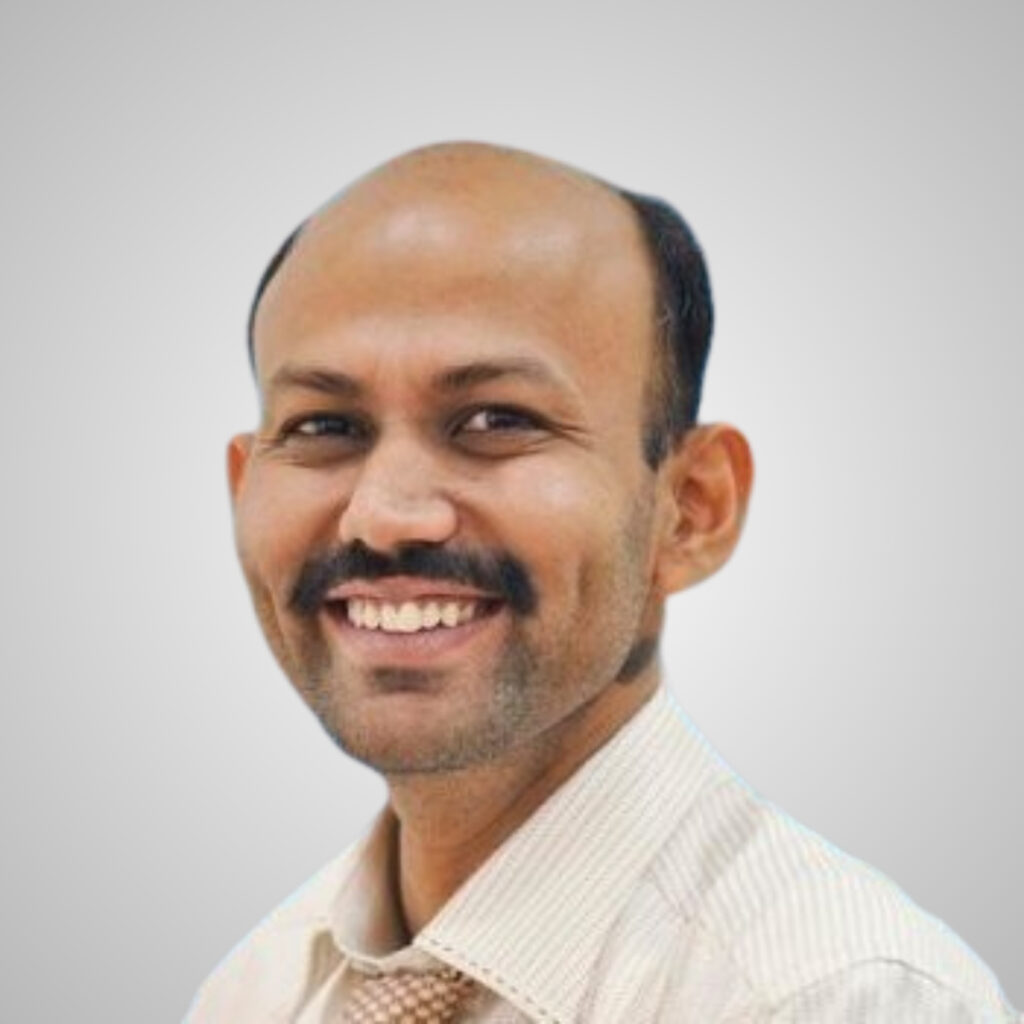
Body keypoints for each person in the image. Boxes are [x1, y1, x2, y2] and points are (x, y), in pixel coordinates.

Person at [189, 142, 1018, 1022]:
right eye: (324, 427)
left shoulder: (835, 997)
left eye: (495, 419)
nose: (385, 516)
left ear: (690, 509)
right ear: (243, 490)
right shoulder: (257, 992)